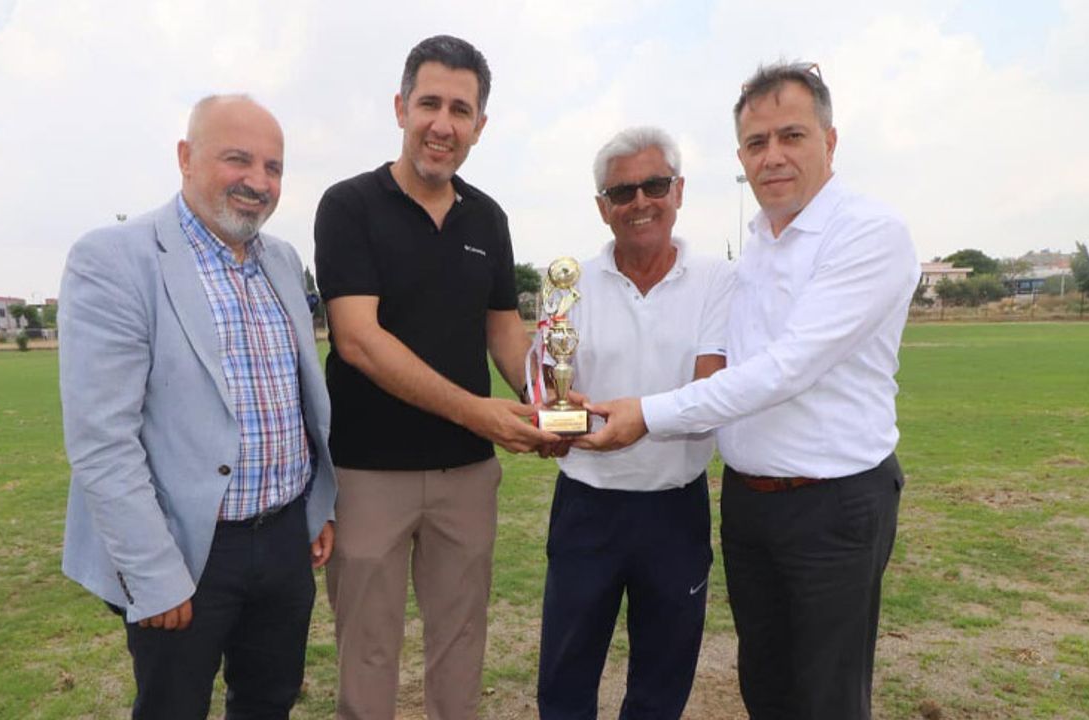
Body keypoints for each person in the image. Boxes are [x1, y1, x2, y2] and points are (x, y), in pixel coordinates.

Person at [577, 61, 920, 720]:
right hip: (750, 503)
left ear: (830, 140)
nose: (773, 157)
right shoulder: (761, 238)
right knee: (766, 687)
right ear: (741, 157)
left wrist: (648, 413)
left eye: (792, 136)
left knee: (827, 698)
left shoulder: (868, 232)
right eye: (757, 143)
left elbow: (786, 367)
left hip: (833, 503)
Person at [58, 94, 337, 719]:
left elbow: (294, 399)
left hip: (284, 540)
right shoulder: (114, 260)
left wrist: (316, 506)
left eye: (273, 167)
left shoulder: (283, 261)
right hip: (184, 549)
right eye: (238, 159)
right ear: (185, 157)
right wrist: (153, 574)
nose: (258, 181)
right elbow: (103, 441)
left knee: (269, 701)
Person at [313, 35, 557, 720]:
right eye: (429, 104)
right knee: (367, 652)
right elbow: (359, 340)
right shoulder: (349, 206)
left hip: (466, 476)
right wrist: (478, 411)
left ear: (480, 124)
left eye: (461, 109)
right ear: (401, 108)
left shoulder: (488, 218)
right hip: (367, 473)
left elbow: (504, 330)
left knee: (461, 646)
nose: (442, 124)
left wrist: (545, 399)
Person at [536, 127, 734, 719]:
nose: (640, 202)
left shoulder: (716, 279)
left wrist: (640, 420)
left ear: (679, 191)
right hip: (587, 505)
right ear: (603, 207)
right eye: (622, 192)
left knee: (661, 683)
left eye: (654, 185)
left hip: (675, 506)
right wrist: (552, 420)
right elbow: (549, 387)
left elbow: (708, 392)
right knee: (565, 679)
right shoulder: (567, 284)